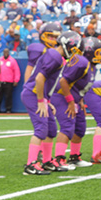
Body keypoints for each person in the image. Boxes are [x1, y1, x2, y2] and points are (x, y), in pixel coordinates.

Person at [21, 31, 83, 175]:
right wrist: (41, 100)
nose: (74, 52)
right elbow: (39, 79)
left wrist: (47, 101)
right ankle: (31, 164)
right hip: (33, 94)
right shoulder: (54, 56)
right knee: (41, 129)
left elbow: (47, 81)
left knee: (51, 129)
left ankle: (47, 161)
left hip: (40, 95)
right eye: (73, 48)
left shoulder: (57, 57)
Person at [51, 37, 101, 169]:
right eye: (98, 52)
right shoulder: (81, 62)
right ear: (89, 51)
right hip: (61, 96)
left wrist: (80, 100)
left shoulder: (92, 66)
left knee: (80, 127)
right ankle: (59, 159)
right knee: (67, 126)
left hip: (74, 98)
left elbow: (77, 85)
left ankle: (74, 157)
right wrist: (71, 102)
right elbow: (63, 81)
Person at [0, 48, 20, 114]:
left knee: (8, 96)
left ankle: (8, 109)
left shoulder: (12, 61)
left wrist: (16, 80)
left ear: (9, 52)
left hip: (9, 82)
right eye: (4, 52)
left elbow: (16, 71)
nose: (6, 53)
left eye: (7, 52)